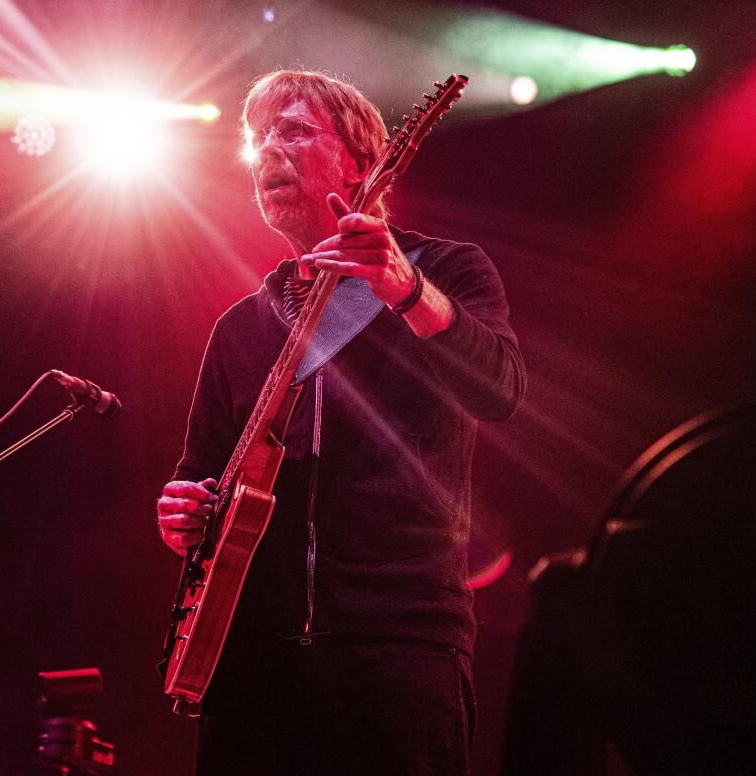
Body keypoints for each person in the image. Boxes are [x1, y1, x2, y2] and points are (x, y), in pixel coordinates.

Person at [156, 70, 526, 775]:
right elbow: (195, 472)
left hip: (398, 645)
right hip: (253, 659)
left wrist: (406, 291)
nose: (268, 150)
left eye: (293, 131)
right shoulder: (240, 328)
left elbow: (500, 392)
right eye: (257, 138)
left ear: (362, 164)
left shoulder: (445, 270)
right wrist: (181, 512)